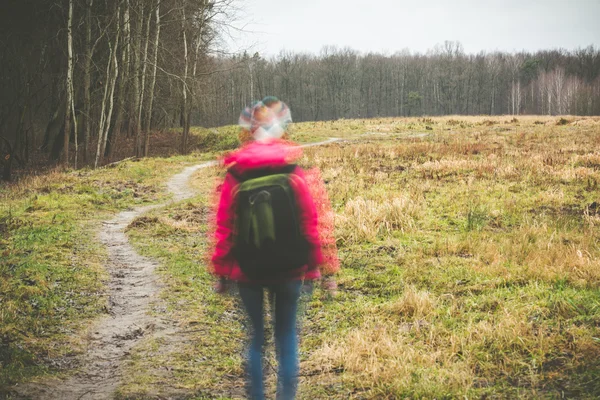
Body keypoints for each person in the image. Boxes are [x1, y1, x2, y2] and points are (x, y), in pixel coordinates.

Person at [210, 96, 338, 399]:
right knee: (286, 336)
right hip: (291, 269)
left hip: (247, 270)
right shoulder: (292, 168)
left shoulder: (235, 173)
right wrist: (323, 267)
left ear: (248, 131)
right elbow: (312, 222)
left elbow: (224, 227)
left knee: (255, 339)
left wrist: (221, 271)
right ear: (280, 129)